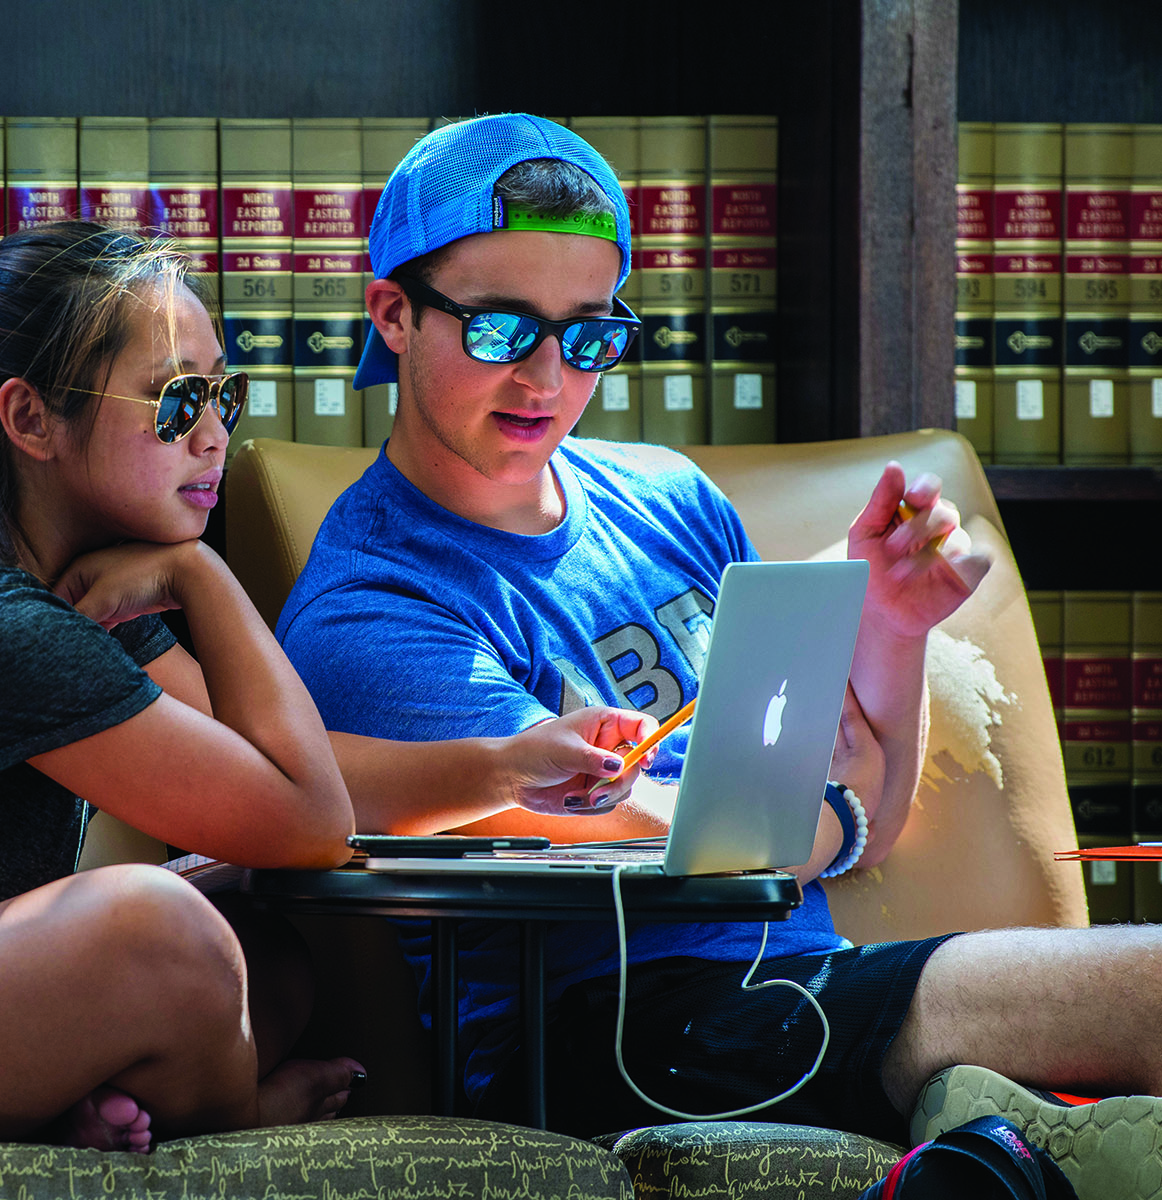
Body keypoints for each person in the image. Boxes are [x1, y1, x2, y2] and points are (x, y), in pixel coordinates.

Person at [0, 221, 654, 1172]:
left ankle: (129, 1123)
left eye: (223, 394)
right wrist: (203, 576)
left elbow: (293, 787)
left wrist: (509, 766)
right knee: (160, 923)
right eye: (177, 401)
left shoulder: (63, 580)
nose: (214, 434)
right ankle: (231, 1119)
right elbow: (309, 815)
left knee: (271, 930)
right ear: (31, 420)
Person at [276, 113, 1162, 1188]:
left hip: (798, 993)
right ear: (394, 315)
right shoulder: (373, 601)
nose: (548, 379)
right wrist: (824, 814)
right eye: (502, 330)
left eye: (589, 334)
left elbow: (855, 815)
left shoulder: (669, 499)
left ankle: (991, 1140)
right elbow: (634, 839)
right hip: (610, 1033)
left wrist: (891, 625)